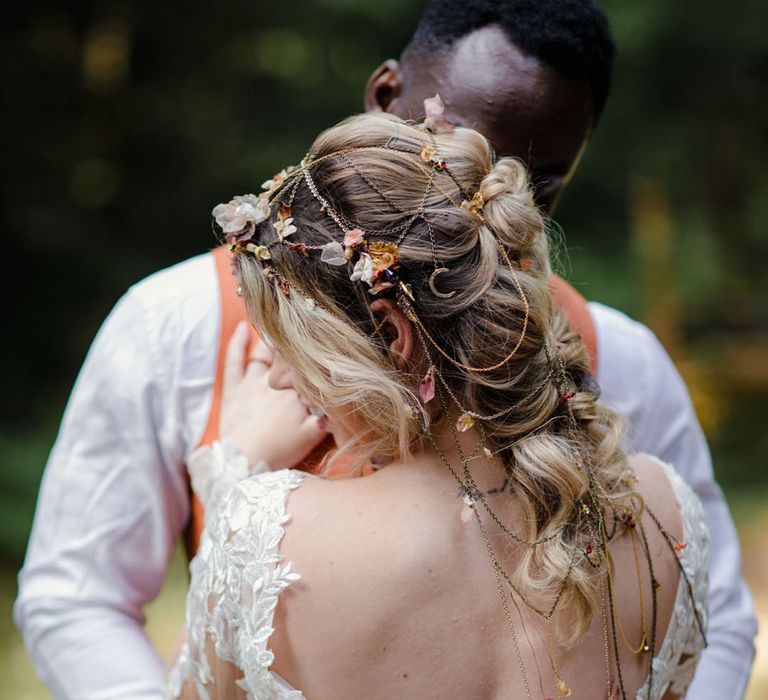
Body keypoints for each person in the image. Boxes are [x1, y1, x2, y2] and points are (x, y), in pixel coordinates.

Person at [14, 1, 755, 698]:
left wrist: (231, 489)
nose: (469, 209)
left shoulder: (624, 359)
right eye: (447, 152)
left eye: (532, 183)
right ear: (384, 95)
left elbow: (716, 618)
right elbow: (76, 597)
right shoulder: (170, 323)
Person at [169, 111, 710, 699]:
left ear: (391, 335)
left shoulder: (268, 537)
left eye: (293, 345)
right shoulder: (663, 510)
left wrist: (232, 477)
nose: (275, 377)